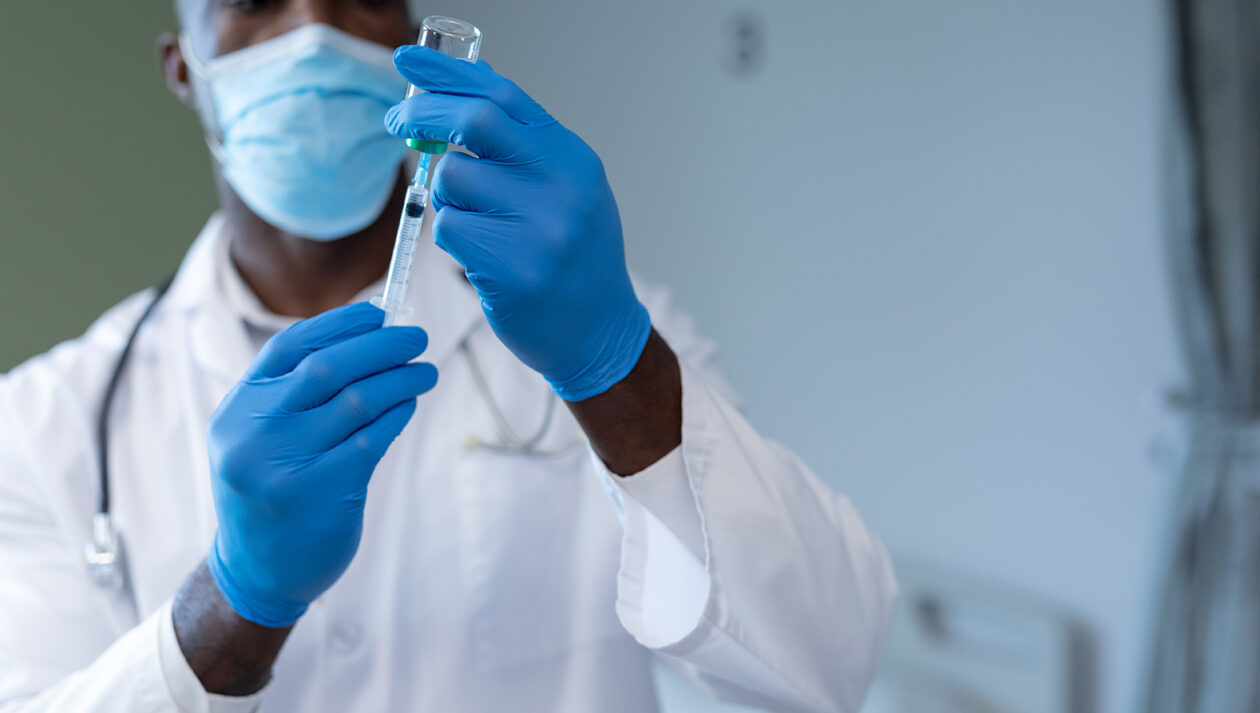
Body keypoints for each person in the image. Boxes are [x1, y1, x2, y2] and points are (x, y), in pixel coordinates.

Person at [0, 1, 896, 711]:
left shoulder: (596, 336)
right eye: (254, 0)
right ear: (183, 67)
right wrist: (232, 602)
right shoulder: (46, 423)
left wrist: (617, 370)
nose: (313, 30)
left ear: (409, 39)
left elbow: (828, 662)